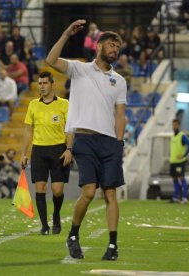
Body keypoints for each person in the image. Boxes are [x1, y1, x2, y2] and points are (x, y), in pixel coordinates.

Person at [46, 19, 127, 261]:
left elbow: (120, 115)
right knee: (90, 192)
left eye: (118, 48)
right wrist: (66, 34)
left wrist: (119, 142)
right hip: (84, 139)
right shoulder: (79, 69)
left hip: (110, 142)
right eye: (112, 45)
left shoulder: (119, 81)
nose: (115, 50)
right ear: (99, 46)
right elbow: (50, 61)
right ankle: (73, 235)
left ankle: (112, 245)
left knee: (111, 193)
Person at [21, 71, 71, 236]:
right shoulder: (33, 105)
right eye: (40, 83)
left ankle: (56, 215)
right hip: (39, 150)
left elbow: (70, 130)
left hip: (59, 149)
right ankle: (44, 225)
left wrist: (69, 149)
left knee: (57, 190)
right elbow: (28, 130)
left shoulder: (64, 104)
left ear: (52, 84)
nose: (42, 86)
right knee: (40, 187)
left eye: (45, 83)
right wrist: (24, 153)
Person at [170, 119, 189, 203]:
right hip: (173, 161)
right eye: (173, 125)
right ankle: (175, 197)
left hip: (180, 162)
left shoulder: (182, 135)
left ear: (179, 126)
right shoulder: (173, 136)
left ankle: (184, 198)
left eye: (175, 125)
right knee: (175, 179)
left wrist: (183, 155)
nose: (174, 126)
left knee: (181, 178)